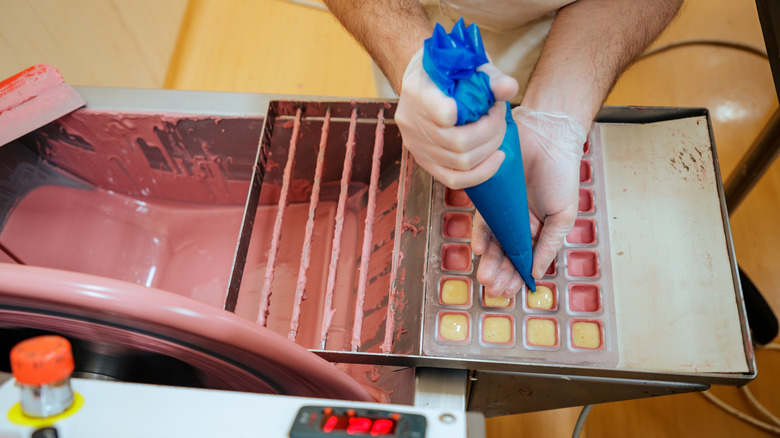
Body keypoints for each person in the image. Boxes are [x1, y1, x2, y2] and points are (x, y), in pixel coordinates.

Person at [323, 0, 682, 298]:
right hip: (402, 17)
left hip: (566, 32)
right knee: (435, 138)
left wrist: (557, 114)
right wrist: (411, 61)